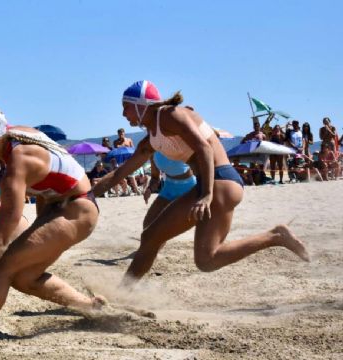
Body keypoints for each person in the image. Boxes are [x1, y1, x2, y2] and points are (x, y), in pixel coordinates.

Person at [92, 80, 309, 289]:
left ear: (142, 105)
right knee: (207, 260)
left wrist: (206, 194)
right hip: (219, 184)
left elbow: (204, 148)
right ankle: (276, 236)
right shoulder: (151, 138)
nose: (123, 114)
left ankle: (123, 292)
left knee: (150, 236)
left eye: (126, 107)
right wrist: (89, 195)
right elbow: (121, 172)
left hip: (219, 182)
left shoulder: (168, 115)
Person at [0, 104, 103, 335]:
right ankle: (92, 306)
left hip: (77, 210)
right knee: (24, 278)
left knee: (3, 267)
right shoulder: (17, 133)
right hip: (64, 206)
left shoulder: (18, 164)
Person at [143, 152, 197, 228]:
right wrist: (150, 189)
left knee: (197, 221)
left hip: (190, 187)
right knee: (148, 224)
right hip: (169, 188)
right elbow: (155, 177)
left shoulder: (183, 144)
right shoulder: (153, 151)